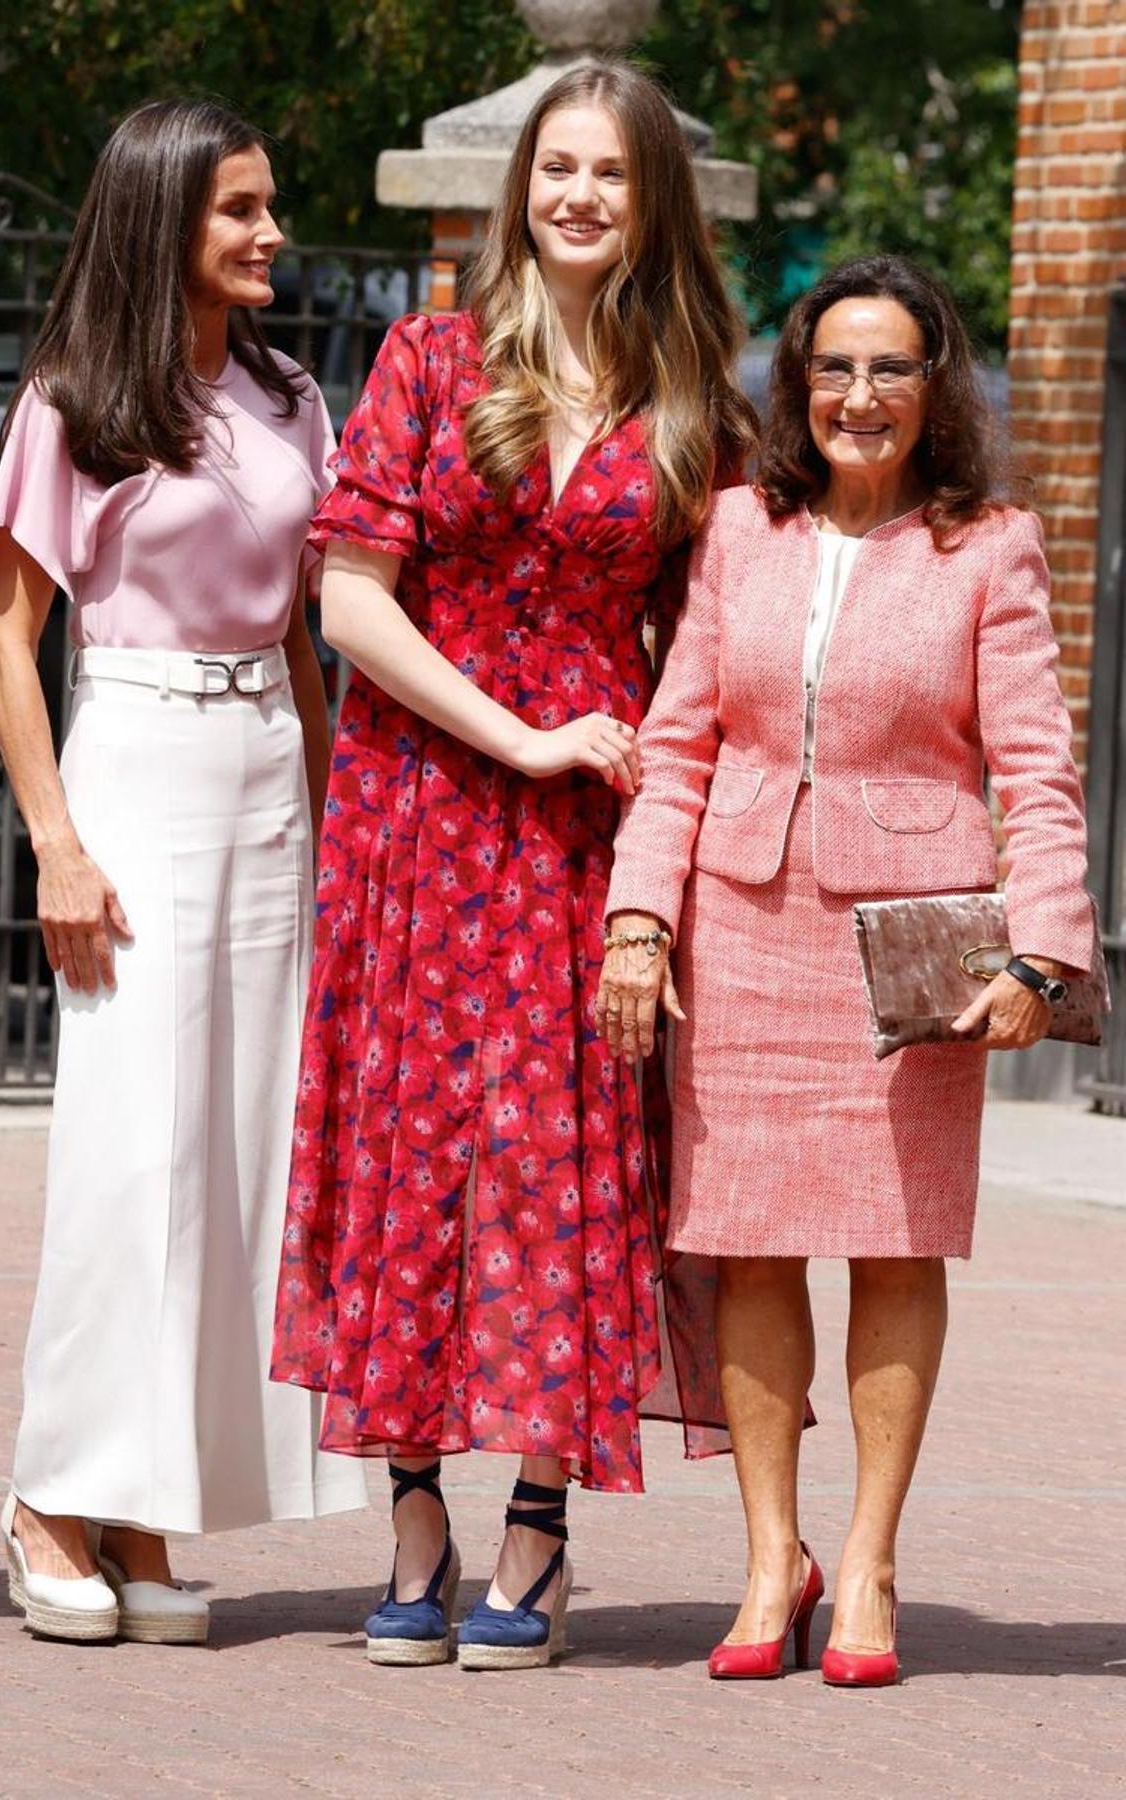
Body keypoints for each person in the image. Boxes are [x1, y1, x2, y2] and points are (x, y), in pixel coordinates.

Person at [270, 60, 756, 1670]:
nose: (581, 198)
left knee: (561, 1164)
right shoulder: (430, 356)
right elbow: (351, 604)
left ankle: (538, 1529)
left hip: (583, 844)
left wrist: (671, 865)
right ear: (517, 185)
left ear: (652, 199)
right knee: (413, 1144)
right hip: (419, 814)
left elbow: (708, 646)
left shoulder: (693, 395)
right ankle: (413, 1508)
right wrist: (524, 734)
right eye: (559, 169)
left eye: (613, 175)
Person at [599, 254, 1094, 1687]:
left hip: (915, 947)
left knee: (894, 1240)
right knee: (747, 1241)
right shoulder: (737, 530)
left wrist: (1044, 952)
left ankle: (867, 1563)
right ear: (795, 383)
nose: (858, 396)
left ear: (936, 389)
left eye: (890, 368)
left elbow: (1039, 771)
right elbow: (680, 739)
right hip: (741, 926)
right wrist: (641, 916)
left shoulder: (989, 545)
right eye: (833, 367)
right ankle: (770, 1559)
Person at [0, 98, 366, 1646]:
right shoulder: (78, 398)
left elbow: (309, 638)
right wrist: (58, 841)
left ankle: (147, 1513)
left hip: (270, 763)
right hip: (132, 762)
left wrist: (339, 833)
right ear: (165, 221)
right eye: (240, 210)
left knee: (236, 1159)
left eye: (271, 205)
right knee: (134, 1152)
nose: (271, 232)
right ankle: (49, 1495)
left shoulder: (287, 393)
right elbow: (9, 635)